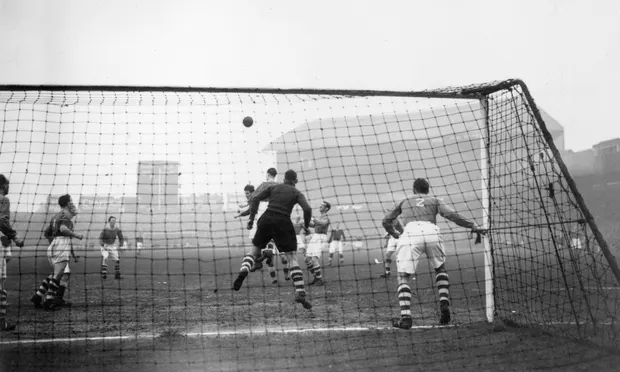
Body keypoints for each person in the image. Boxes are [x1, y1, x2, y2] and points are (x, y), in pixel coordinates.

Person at [383, 178, 485, 329]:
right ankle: (444, 302)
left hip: (411, 232)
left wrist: (396, 234)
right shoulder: (435, 200)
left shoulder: (403, 200)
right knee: (440, 269)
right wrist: (473, 225)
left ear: (413, 189)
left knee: (404, 276)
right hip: (432, 231)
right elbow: (452, 215)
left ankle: (405, 318)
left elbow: (386, 220)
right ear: (427, 190)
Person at [233, 169, 313, 310]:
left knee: (254, 251)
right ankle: (300, 292)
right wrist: (306, 227)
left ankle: (243, 271)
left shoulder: (273, 187)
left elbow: (256, 198)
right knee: (291, 258)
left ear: (283, 178)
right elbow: (307, 209)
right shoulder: (296, 192)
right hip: (282, 222)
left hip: (266, 219)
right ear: (295, 181)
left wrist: (251, 219)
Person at [32, 194, 83, 311]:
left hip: (55, 245)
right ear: (67, 203)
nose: (72, 203)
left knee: (59, 274)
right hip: (61, 246)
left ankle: (38, 296)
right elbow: (63, 229)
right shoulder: (65, 215)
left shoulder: (55, 216)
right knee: (58, 275)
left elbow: (47, 233)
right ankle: (49, 301)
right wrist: (77, 235)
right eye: (70, 201)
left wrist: (54, 243)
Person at [0, 174, 24, 330]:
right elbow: (2, 220)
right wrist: (15, 236)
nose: (9, 188)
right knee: (0, 282)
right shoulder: (4, 199)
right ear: (3, 186)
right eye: (7, 185)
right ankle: (2, 323)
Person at [304, 201, 331, 286]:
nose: (320, 206)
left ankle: (319, 279)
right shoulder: (319, 217)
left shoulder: (326, 218)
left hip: (321, 238)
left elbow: (323, 223)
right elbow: (312, 225)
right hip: (315, 237)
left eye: (322, 205)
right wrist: (307, 220)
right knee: (307, 259)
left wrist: (314, 219)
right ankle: (317, 277)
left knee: (314, 259)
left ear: (326, 208)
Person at [380, 213, 404, 278]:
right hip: (392, 239)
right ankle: (387, 273)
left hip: (400, 238)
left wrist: (387, 233)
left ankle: (403, 272)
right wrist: (386, 242)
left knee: (401, 256)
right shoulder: (386, 222)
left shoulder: (395, 220)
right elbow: (389, 232)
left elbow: (394, 226)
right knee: (387, 255)